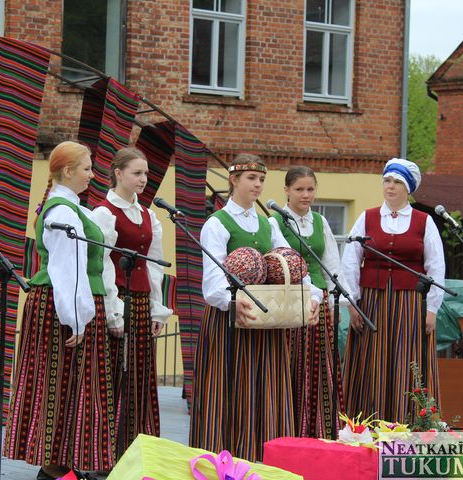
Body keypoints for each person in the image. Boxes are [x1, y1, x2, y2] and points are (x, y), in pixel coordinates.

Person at [189, 154, 322, 462]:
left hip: (266, 320)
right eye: (251, 178)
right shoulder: (217, 223)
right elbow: (212, 279)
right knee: (230, 390)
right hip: (231, 320)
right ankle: (223, 458)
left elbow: (290, 265)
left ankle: (262, 458)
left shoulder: (267, 223)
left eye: (261, 179)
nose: (258, 184)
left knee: (266, 391)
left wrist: (311, 296)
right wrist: (231, 302)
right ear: (234, 180)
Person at [3, 141, 124, 478]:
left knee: (75, 388)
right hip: (65, 309)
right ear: (68, 171)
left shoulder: (72, 208)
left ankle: (65, 465)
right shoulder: (62, 212)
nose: (91, 175)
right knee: (61, 385)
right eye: (86, 168)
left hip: (76, 306)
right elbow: (66, 271)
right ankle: (53, 468)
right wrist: (77, 319)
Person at [341, 158, 445, 423]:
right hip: (372, 300)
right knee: (371, 359)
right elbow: (351, 260)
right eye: (387, 180)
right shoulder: (367, 217)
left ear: (407, 188)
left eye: (397, 182)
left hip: (409, 302)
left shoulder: (424, 221)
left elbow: (436, 266)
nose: (390, 186)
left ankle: (407, 421)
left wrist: (432, 309)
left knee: (406, 359)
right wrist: (352, 302)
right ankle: (366, 422)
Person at [93, 147, 173, 455]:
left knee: (139, 377)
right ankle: (106, 451)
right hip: (118, 300)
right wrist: (113, 312)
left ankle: (135, 448)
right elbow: (102, 264)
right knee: (114, 376)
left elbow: (154, 265)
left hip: (140, 303)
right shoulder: (104, 213)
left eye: (146, 174)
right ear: (118, 173)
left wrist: (157, 309)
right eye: (136, 173)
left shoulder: (148, 215)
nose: (143, 179)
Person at [267, 165, 349, 438]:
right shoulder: (275, 222)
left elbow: (331, 264)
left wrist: (336, 301)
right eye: (299, 189)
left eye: (310, 189)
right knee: (293, 361)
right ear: (286, 190)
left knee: (318, 365)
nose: (306, 195)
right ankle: (289, 426)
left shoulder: (320, 221)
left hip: (318, 300)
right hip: (290, 299)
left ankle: (318, 429)